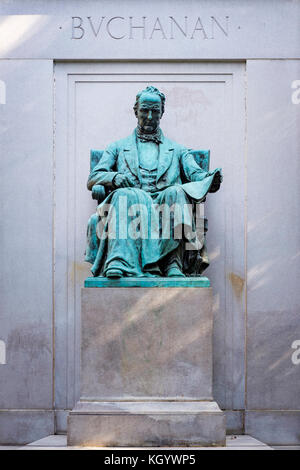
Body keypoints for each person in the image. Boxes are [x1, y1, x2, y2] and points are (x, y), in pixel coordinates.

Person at [85, 86, 222, 278]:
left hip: (164, 202)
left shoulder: (178, 150)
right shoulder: (117, 147)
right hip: (132, 201)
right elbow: (94, 177)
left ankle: (172, 264)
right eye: (144, 111)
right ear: (136, 111)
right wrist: (115, 177)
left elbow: (196, 174)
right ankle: (120, 261)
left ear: (161, 113)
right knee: (127, 195)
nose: (149, 116)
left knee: (176, 192)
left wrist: (209, 180)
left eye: (155, 111)